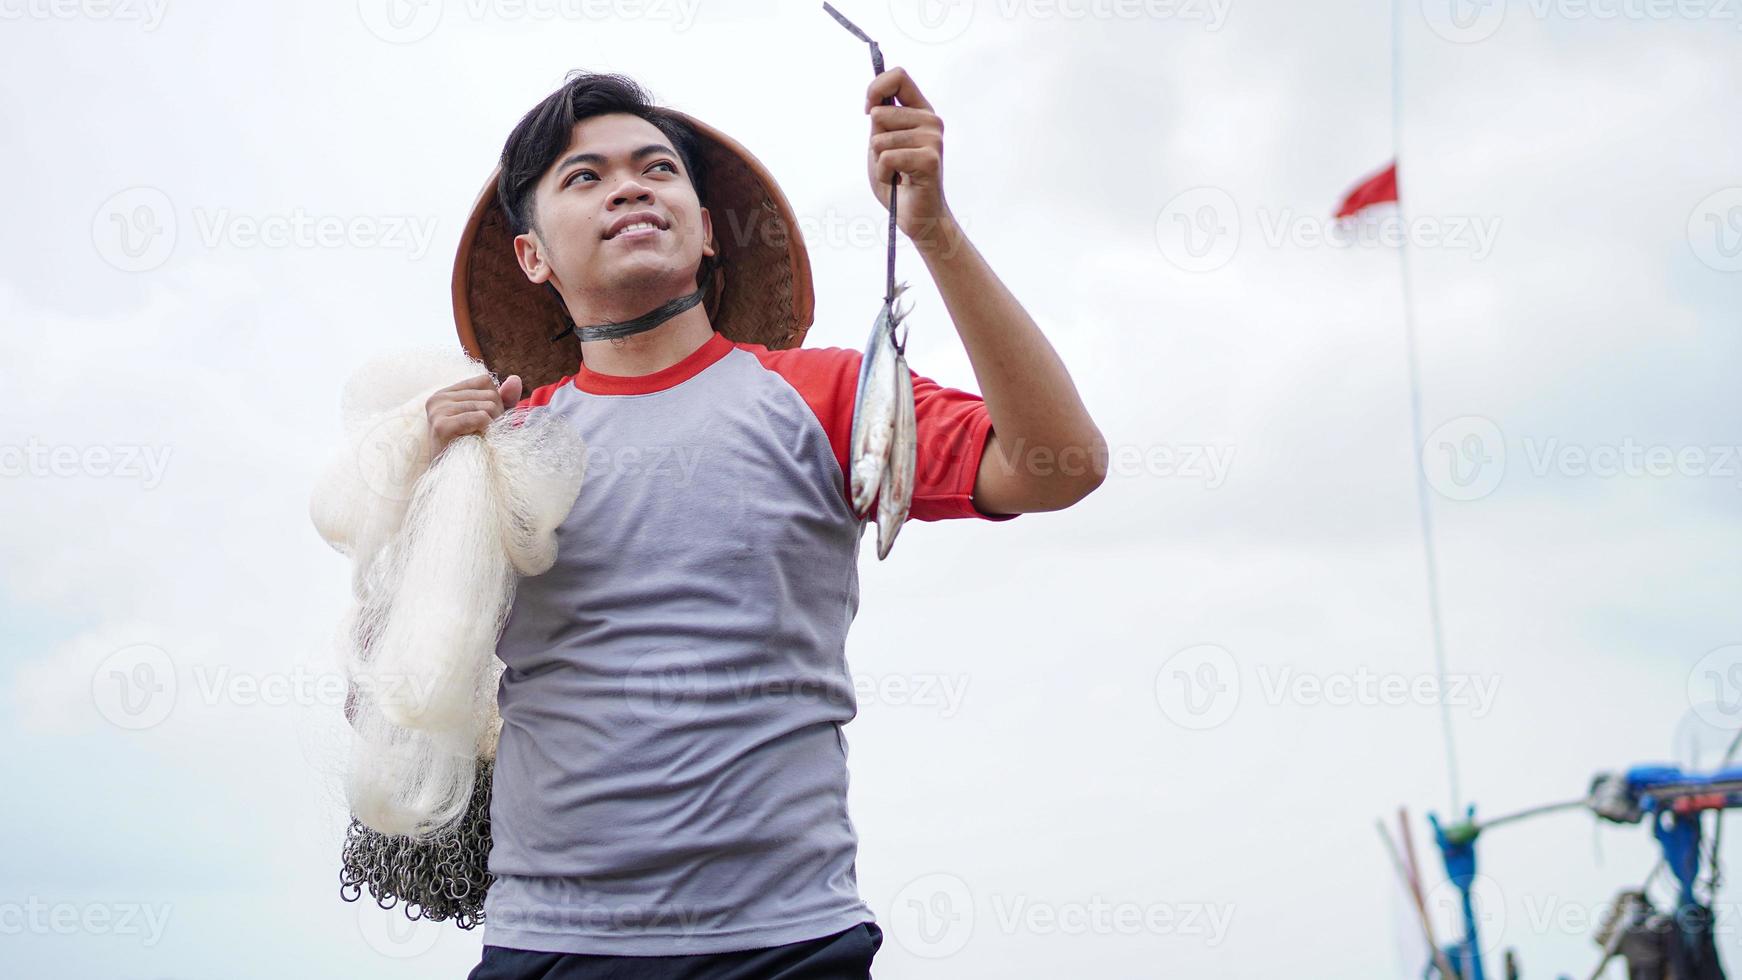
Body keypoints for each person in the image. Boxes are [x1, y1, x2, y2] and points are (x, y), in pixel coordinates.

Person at [436, 68, 1106, 979]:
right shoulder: (501, 449)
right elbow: (404, 691)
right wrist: (419, 484)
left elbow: (1058, 465)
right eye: (583, 177)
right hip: (552, 946)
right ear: (532, 257)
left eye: (658, 167)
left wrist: (934, 232)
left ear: (708, 230)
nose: (630, 185)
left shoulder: (824, 394)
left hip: (788, 943)